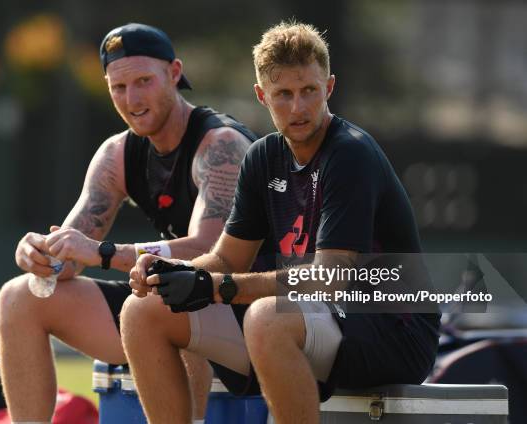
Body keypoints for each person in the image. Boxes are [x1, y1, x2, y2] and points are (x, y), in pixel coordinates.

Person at [122, 21, 441, 424]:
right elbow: (225, 259)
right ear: (262, 96)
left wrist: (217, 287)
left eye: (309, 90)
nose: (298, 107)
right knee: (143, 308)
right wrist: (171, 273)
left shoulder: (351, 154)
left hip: (390, 330)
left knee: (267, 316)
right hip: (312, 322)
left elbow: (330, 279)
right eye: (283, 94)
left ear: (329, 87)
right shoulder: (262, 156)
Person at [0, 23, 256, 423]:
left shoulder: (220, 144)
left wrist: (103, 252)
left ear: (174, 73)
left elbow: (211, 252)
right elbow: (70, 258)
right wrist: (41, 257)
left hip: (249, 307)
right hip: (163, 306)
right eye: (118, 87)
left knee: (177, 289)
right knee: (20, 297)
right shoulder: (116, 154)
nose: (131, 99)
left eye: (143, 81)